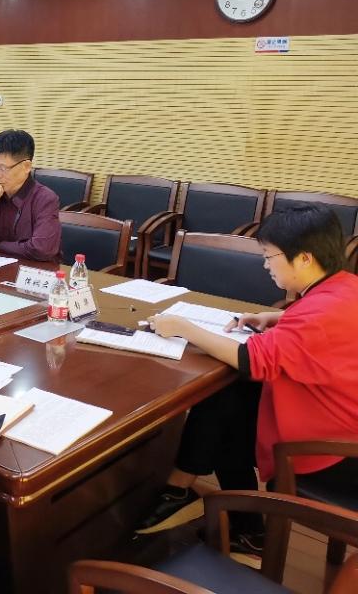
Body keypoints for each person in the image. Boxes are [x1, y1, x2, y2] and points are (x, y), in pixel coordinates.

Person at [138, 204, 358, 558]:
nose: (266, 265)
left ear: (304, 258)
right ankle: (196, 496)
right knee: (229, 398)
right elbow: (314, 325)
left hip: (329, 451)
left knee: (229, 405)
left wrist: (183, 327)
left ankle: (189, 493)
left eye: (270, 257)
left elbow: (251, 360)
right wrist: (276, 318)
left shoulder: (318, 315)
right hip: (341, 421)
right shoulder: (345, 285)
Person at [0, 129, 61, 263]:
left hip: (32, 270)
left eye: (3, 168)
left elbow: (42, 248)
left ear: (26, 166)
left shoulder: (45, 199)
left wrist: (1, 248)